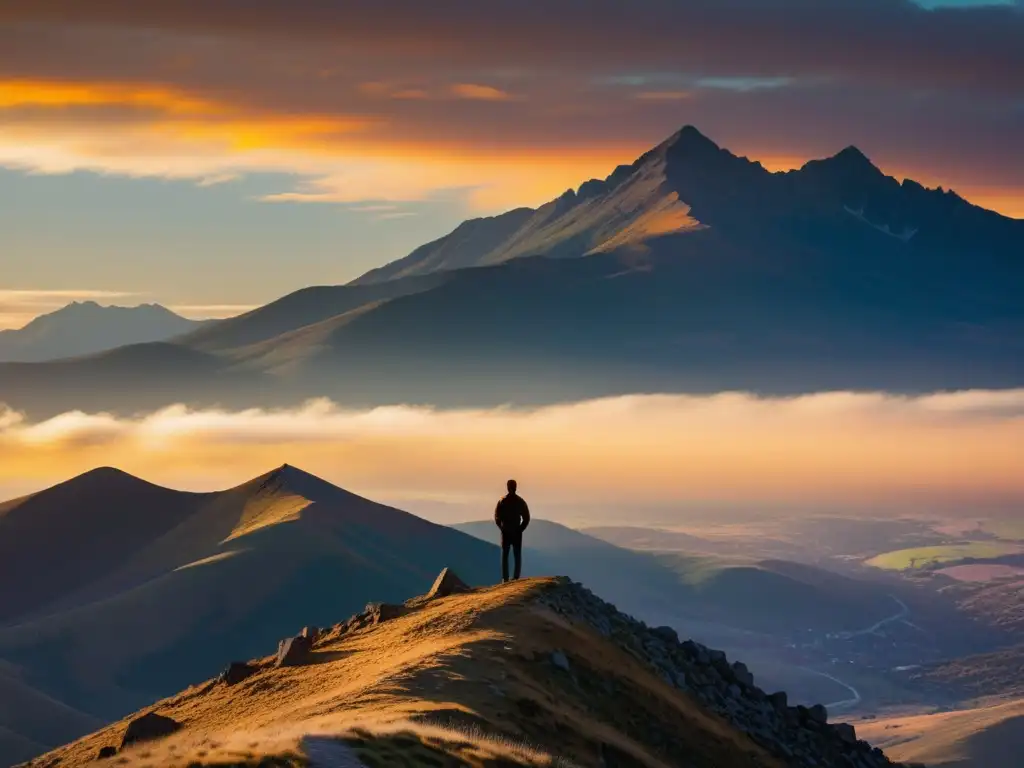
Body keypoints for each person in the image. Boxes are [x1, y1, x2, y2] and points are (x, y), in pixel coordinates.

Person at [494, 478, 530, 583]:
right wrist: (520, 529)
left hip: (507, 532)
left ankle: (505, 579)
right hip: (515, 532)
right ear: (515, 487)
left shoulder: (502, 501)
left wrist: (502, 528)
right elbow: (526, 518)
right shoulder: (520, 501)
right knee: (516, 555)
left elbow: (497, 517)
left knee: (506, 555)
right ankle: (515, 577)